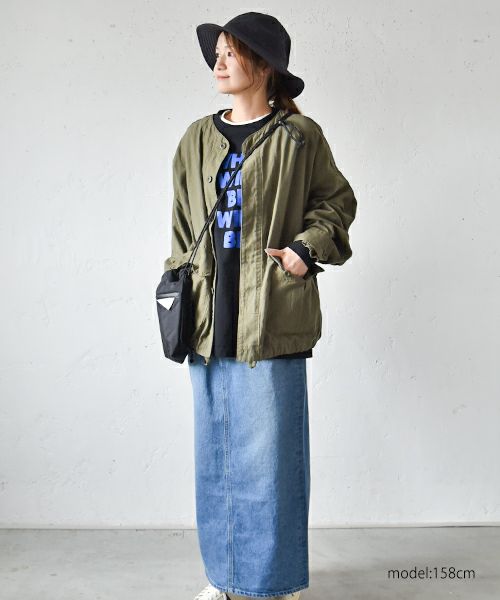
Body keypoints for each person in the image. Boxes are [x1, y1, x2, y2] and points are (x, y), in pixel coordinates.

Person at [163, 12, 357, 600]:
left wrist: (304, 251)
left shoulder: (299, 136)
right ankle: (223, 579)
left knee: (272, 461)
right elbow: (181, 226)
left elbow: (337, 203)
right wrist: (177, 291)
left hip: (272, 312)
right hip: (208, 315)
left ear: (264, 65)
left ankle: (274, 584)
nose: (218, 63)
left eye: (231, 52)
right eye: (217, 53)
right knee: (216, 457)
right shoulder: (196, 138)